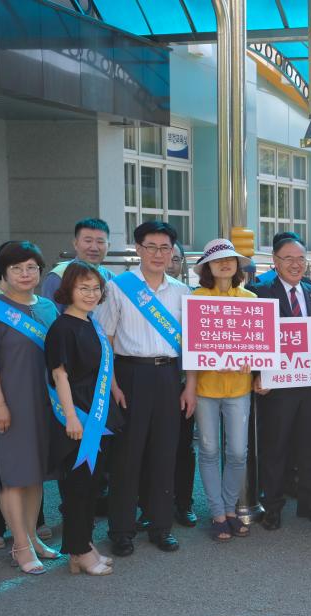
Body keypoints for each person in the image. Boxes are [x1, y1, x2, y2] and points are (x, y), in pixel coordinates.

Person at [95, 222, 194, 556]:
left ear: (173, 252)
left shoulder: (182, 291)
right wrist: (112, 385)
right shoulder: (118, 287)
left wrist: (190, 387)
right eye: (151, 246)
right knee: (127, 456)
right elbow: (106, 339)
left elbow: (192, 346)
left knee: (165, 453)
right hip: (130, 375)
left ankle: (160, 526)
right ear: (138, 249)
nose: (158, 254)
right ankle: (121, 530)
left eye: (165, 248)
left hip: (169, 376)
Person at [46, 262, 122, 575]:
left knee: (90, 487)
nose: (91, 294)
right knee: (77, 489)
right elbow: (59, 375)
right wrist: (71, 418)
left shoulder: (91, 323)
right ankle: (78, 550)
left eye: (95, 288)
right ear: (69, 290)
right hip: (77, 416)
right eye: (83, 288)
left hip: (97, 413)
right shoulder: (62, 327)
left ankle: (84, 546)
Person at [249, 236, 311, 531]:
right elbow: (254, 336)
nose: (296, 264)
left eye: (301, 259)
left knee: (308, 445)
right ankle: (272, 505)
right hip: (276, 385)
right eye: (288, 258)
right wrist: (258, 374)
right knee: (275, 446)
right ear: (275, 261)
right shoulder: (259, 293)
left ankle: (309, 501)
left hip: (309, 385)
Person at [0, 241, 59, 574]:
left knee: (35, 474)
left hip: (44, 402)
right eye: (16, 268)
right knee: (13, 477)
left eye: (31, 267)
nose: (25, 273)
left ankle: (33, 537)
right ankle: (20, 545)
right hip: (9, 404)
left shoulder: (48, 307)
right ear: (3, 273)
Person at [191, 239, 255, 542]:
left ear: (238, 265)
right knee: (209, 450)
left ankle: (230, 508)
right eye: (218, 260)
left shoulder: (251, 298)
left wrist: (254, 363)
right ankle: (218, 513)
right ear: (207, 266)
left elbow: (260, 344)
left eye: (230, 259)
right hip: (205, 386)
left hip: (240, 387)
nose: (225, 263)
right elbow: (190, 346)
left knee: (238, 452)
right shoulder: (196, 298)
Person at [167, 240, 197, 527]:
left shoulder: (188, 295)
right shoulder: (132, 293)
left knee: (184, 446)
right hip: (150, 378)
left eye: (176, 259)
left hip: (182, 381)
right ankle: (150, 508)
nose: (169, 262)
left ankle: (183, 503)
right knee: (149, 447)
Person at [42, 218, 115, 312]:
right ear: (75, 244)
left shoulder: (111, 279)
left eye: (100, 242)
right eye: (88, 241)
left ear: (108, 246)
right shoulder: (59, 276)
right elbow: (50, 317)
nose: (94, 248)